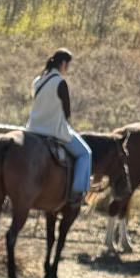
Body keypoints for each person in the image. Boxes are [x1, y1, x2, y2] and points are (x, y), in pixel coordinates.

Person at [26, 48, 91, 197]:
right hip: (53, 129)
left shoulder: (37, 81)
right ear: (63, 63)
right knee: (85, 153)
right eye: (67, 65)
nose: (67, 69)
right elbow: (67, 113)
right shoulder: (60, 82)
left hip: (33, 128)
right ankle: (77, 192)